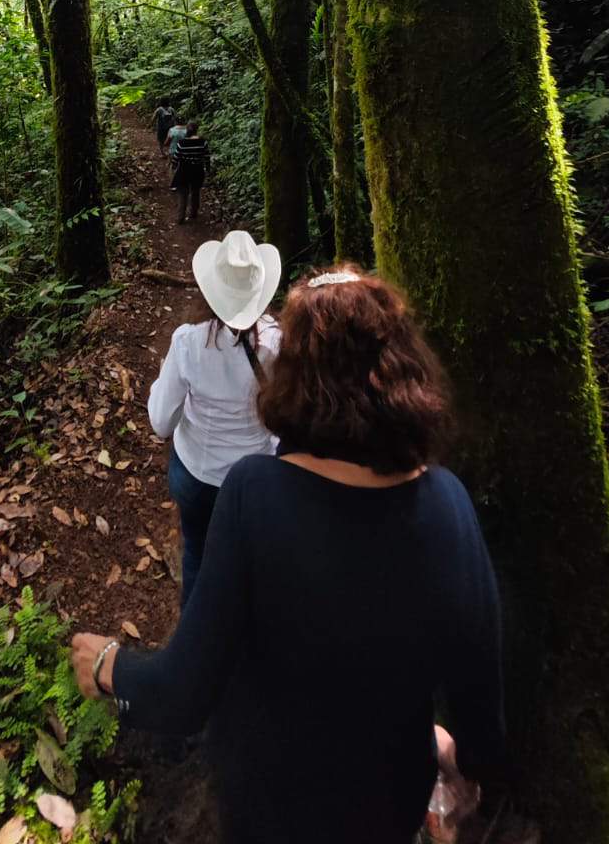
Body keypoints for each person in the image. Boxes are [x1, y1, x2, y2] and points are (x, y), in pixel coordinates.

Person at [70, 265, 504, 844]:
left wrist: (108, 666)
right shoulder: (447, 504)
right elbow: (481, 710)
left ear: (294, 375)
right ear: (406, 368)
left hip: (269, 802)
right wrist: (453, 754)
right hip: (388, 803)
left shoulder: (256, 494)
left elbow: (183, 694)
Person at [146, 230, 281, 605]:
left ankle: (195, 630)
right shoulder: (277, 342)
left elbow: (161, 423)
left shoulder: (188, 342)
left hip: (197, 475)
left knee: (197, 554)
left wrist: (160, 384)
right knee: (248, 562)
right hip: (256, 477)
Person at [173, 119, 209, 222]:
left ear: (187, 129)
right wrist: (208, 169)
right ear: (197, 129)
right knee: (195, 191)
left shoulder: (182, 142)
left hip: (184, 170)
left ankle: (180, 216)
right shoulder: (203, 142)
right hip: (198, 170)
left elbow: (176, 157)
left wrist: (174, 167)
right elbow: (207, 157)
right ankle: (193, 212)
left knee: (182, 193)